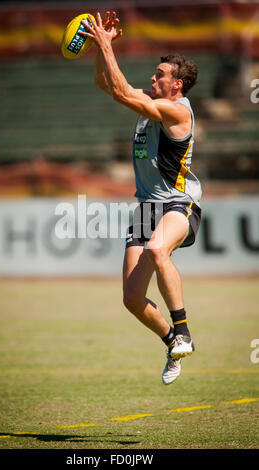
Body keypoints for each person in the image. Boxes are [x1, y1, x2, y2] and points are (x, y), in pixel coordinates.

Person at [81, 12, 202, 385]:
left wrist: (103, 42)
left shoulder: (177, 111)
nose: (152, 78)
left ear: (177, 84)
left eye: (160, 74)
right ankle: (172, 342)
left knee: (156, 250)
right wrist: (103, 50)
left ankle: (183, 330)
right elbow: (107, 85)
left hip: (180, 203)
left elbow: (119, 91)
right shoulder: (152, 99)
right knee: (132, 299)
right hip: (147, 206)